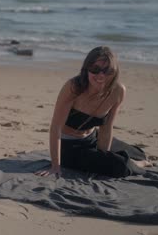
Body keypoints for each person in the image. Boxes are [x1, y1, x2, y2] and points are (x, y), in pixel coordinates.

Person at [35, 46, 151, 178]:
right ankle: (137, 164)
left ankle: (134, 160)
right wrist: (55, 166)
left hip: (92, 138)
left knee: (136, 152)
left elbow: (106, 127)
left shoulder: (118, 91)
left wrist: (103, 157)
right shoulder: (74, 87)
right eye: (95, 70)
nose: (101, 75)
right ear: (86, 69)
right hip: (69, 146)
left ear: (115, 71)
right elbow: (55, 128)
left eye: (107, 70)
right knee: (120, 165)